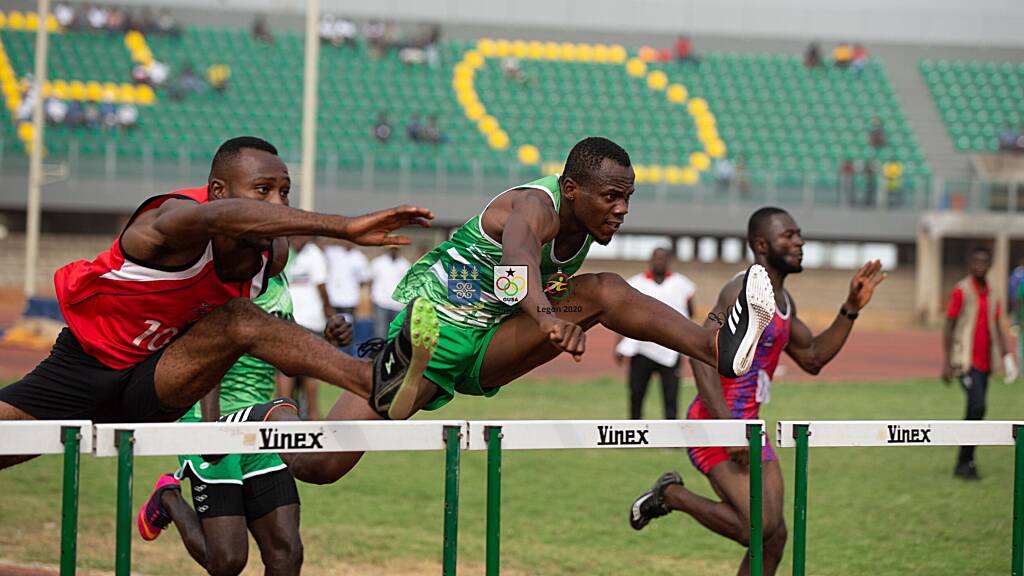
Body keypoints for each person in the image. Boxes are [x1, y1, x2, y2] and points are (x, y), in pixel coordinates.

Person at [229, 136, 779, 486]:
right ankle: (278, 413)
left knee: (605, 289)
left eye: (627, 197)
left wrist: (553, 317)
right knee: (319, 467)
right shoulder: (533, 204)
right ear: (571, 189)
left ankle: (717, 348)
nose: (621, 210)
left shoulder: (580, 224)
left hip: (491, 341)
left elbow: (547, 287)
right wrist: (547, 320)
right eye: (611, 196)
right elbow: (516, 264)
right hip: (435, 329)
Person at [0, 136, 438, 471]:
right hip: (84, 367)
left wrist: (211, 421)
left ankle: (373, 379)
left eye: (284, 192)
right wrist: (342, 227)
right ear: (217, 190)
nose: (277, 204)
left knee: (239, 318)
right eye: (263, 189)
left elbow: (235, 336)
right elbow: (214, 219)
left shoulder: (271, 255)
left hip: (159, 378)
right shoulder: (170, 221)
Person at [628, 206, 886, 576]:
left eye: (799, 234)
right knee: (759, 528)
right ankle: (672, 495)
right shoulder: (740, 289)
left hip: (750, 429)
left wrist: (850, 308)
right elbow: (700, 354)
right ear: (761, 244)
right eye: (789, 236)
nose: (800, 241)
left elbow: (812, 357)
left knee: (775, 538)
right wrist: (728, 427)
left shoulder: (784, 302)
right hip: (715, 425)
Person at [136, 271, 353, 576]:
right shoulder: (218, 275)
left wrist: (323, 343)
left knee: (287, 553)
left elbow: (285, 350)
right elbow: (204, 356)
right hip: (209, 418)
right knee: (227, 562)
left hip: (258, 426)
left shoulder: (278, 282)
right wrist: (212, 433)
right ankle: (168, 497)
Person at [942, 246, 1017, 480]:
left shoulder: (993, 293)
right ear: (969, 264)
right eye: (975, 262)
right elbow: (949, 325)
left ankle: (965, 463)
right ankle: (965, 461)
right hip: (965, 361)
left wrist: (1007, 356)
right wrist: (946, 362)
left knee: (976, 410)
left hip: (986, 362)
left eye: (984, 262)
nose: (979, 266)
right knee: (977, 407)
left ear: (990, 264)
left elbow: (997, 326)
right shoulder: (961, 290)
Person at [614, 247, 696, 420]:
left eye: (663, 258)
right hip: (641, 348)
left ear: (668, 261)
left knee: (671, 395)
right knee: (636, 393)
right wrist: (619, 345)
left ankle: (671, 436)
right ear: (650, 260)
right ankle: (634, 434)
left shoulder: (682, 284)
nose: (659, 261)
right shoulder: (635, 283)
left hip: (671, 348)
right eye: (656, 258)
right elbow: (622, 317)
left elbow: (690, 312)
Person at [279, 237, 335, 420]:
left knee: (310, 371)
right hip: (288, 319)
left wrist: (329, 314)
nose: (298, 238)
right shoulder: (285, 253)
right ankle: (285, 414)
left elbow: (322, 288)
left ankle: (312, 417)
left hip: (310, 320)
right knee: (286, 369)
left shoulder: (313, 254)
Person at [369, 247, 411, 339]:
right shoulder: (378, 263)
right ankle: (380, 353)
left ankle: (392, 353)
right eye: (391, 248)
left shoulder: (405, 264)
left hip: (397, 305)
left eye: (395, 248)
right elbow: (370, 281)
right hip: (381, 302)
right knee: (380, 333)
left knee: (396, 334)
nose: (393, 250)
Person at [323, 241, 370, 321]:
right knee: (331, 325)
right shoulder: (333, 252)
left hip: (349, 299)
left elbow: (364, 280)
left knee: (346, 326)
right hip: (332, 298)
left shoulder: (359, 258)